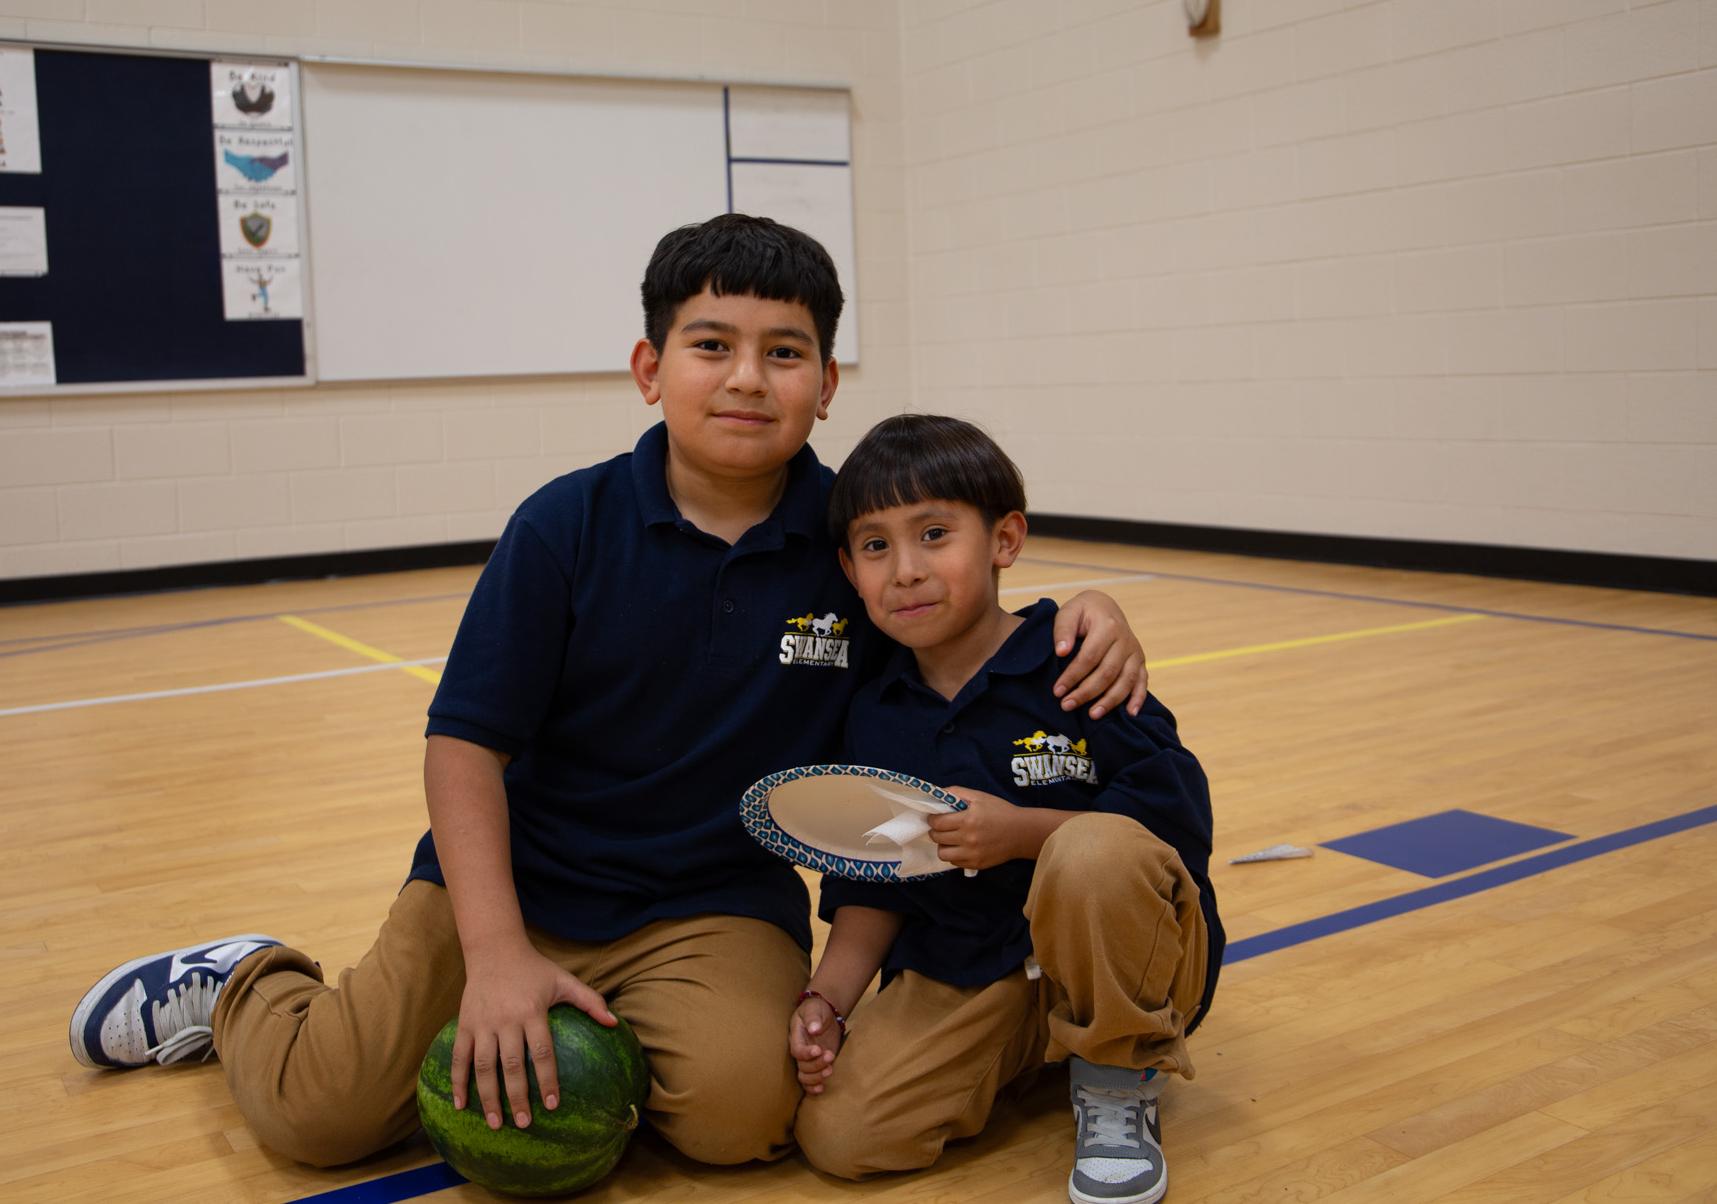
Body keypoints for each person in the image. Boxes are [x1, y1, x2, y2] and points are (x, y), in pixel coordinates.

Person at [67, 216, 1156, 1170]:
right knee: (319, 1117)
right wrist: (494, 956)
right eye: (710, 346)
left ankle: (603, 1039)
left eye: (784, 353)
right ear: (648, 367)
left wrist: (1081, 608)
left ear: (825, 387)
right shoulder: (564, 526)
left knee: (748, 1119)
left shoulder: (847, 542)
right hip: (510, 886)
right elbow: (462, 748)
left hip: (713, 906)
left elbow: (952, 610)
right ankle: (243, 984)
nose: (745, 378)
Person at [787, 414, 1222, 1204]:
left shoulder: (1075, 659)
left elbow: (1175, 834)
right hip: (970, 966)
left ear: (1005, 539)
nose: (907, 569)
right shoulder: (874, 715)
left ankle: (1119, 1076)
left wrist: (1019, 833)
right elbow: (872, 879)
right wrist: (827, 1000)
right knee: (841, 1137)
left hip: (1129, 945)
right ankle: (1039, 1045)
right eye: (877, 546)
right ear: (849, 568)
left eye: (934, 533)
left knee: (1093, 852)